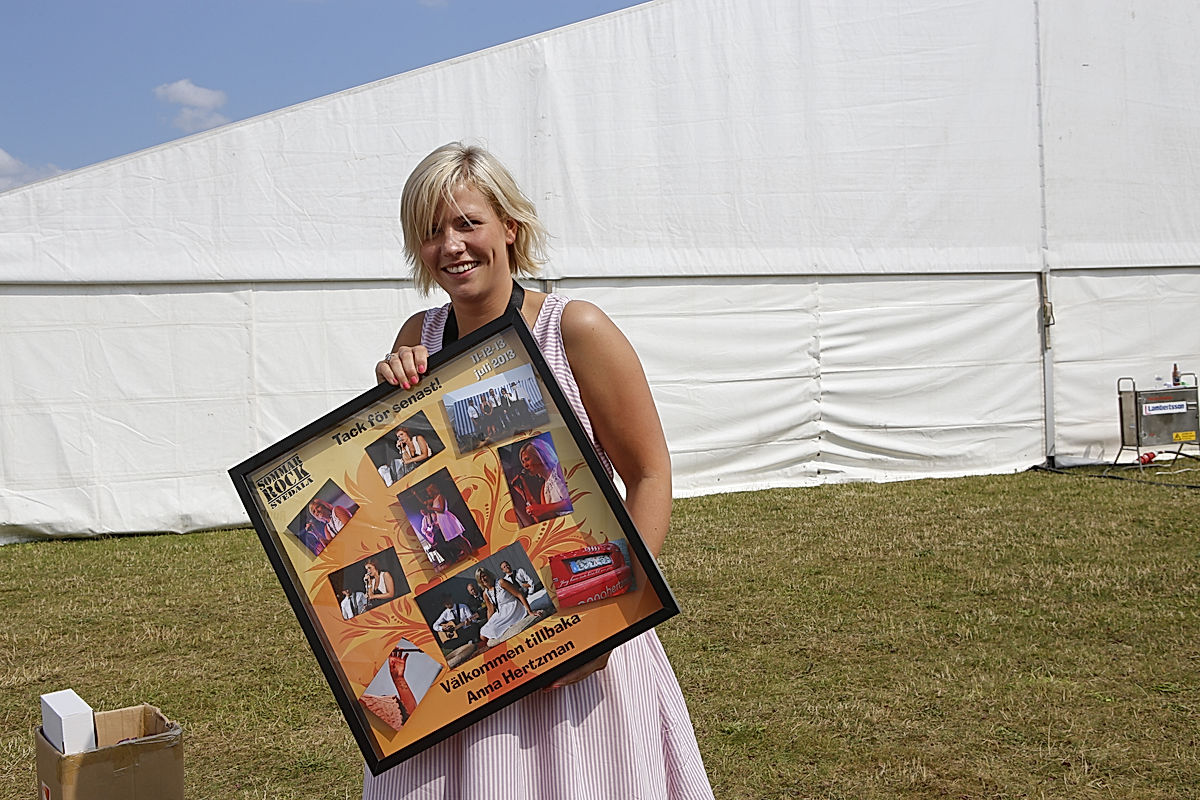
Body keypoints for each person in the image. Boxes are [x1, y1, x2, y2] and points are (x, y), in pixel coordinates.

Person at [371, 142, 712, 799]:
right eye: (432, 231)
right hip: (466, 656)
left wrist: (615, 620)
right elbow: (407, 483)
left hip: (579, 633)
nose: (453, 246)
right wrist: (389, 396)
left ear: (510, 228)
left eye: (468, 223)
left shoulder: (574, 328)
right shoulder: (419, 331)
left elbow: (648, 474)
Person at [474, 567, 535, 645]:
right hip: (501, 612)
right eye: (480, 578)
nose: (483, 579)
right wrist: (490, 623)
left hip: (512, 608)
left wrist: (529, 611)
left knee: (492, 629)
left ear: (488, 575)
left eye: (484, 576)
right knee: (483, 634)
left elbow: (519, 594)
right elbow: (490, 610)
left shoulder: (501, 582)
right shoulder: (486, 593)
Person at [517, 438, 572, 522]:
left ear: (540, 455)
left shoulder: (559, 469)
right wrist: (525, 492)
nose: (525, 465)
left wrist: (544, 508)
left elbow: (575, 500)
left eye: (527, 459)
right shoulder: (543, 489)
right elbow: (546, 517)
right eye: (523, 462)